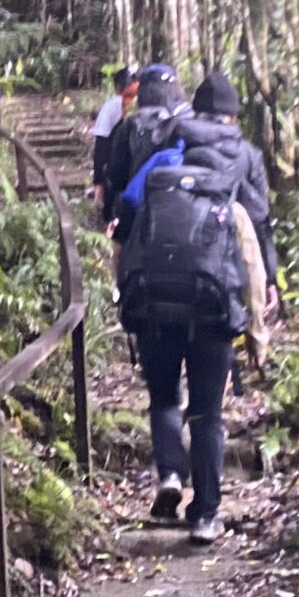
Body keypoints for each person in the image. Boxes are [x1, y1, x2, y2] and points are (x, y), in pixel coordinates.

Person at [108, 66, 278, 541]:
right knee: (207, 411)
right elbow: (259, 226)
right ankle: (205, 514)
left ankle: (169, 476)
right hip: (215, 301)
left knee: (163, 396)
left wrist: (126, 284)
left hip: (157, 297)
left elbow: (124, 219)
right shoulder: (244, 157)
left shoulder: (163, 156)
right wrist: (268, 287)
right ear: (231, 118)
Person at [87, 66, 138, 201]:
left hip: (117, 171)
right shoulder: (147, 104)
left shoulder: (112, 106)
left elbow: (101, 144)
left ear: (117, 87)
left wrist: (98, 183)